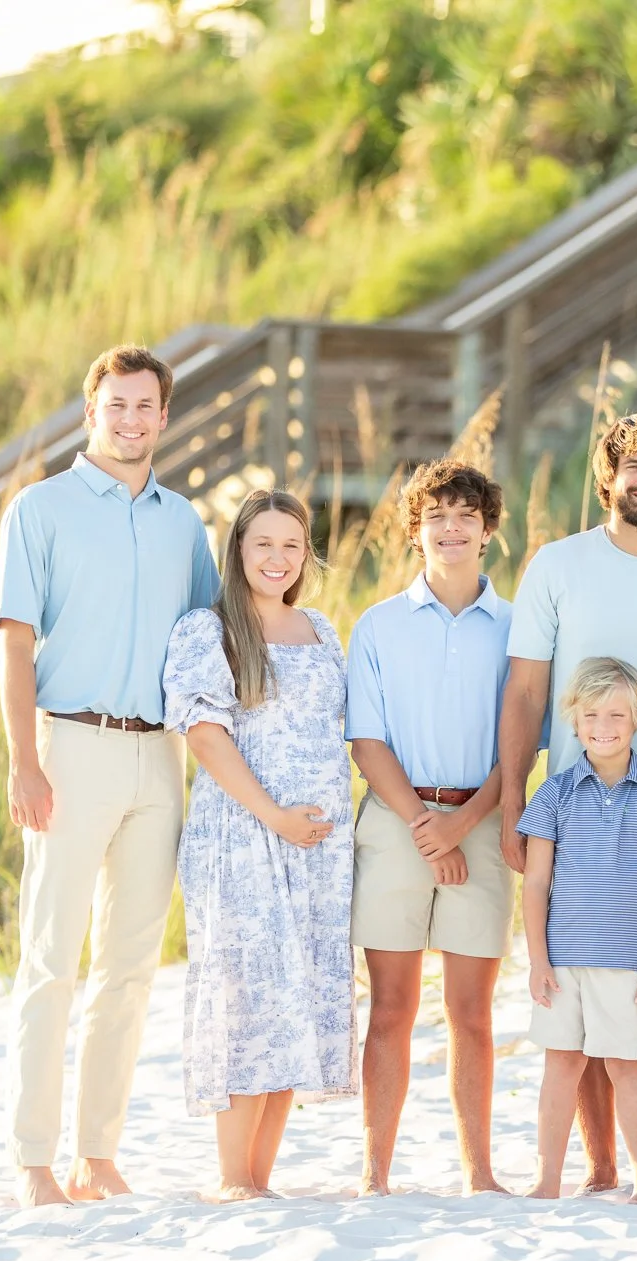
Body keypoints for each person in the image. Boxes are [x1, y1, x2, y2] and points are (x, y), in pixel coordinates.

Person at [0, 344, 220, 1208]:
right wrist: (24, 760)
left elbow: (206, 638)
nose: (131, 421)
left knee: (128, 966)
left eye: (146, 407)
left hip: (159, 758)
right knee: (50, 960)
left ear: (165, 417)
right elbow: (14, 642)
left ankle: (98, 1153)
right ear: (91, 410)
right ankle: (33, 1159)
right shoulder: (40, 510)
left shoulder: (182, 522)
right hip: (72, 747)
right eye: (116, 405)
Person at [501, 411, 637, 1193]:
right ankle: (596, 1166)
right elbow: (526, 693)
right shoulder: (557, 566)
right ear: (609, 479)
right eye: (636, 467)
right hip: (577, 822)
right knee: (586, 996)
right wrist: (509, 805)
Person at [163, 490, 356, 1201]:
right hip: (244, 837)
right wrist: (275, 815)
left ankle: (259, 1179)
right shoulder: (207, 630)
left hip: (318, 846)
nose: (277, 558)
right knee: (249, 996)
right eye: (262, 544)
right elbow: (206, 736)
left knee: (294, 994)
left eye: (291, 545)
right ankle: (230, 1176)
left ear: (307, 554)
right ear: (237, 549)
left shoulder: (322, 629)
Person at [345, 460, 516, 1196]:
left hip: (483, 822)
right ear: (414, 532)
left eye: (466, 517)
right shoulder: (379, 625)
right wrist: (423, 825)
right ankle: (375, 1172)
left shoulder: (517, 628)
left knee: (472, 1012)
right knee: (391, 1006)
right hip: (395, 820)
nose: (451, 529)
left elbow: (525, 744)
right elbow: (367, 741)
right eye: (435, 517)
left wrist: (462, 825)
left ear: (488, 532)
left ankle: (479, 1171)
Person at [518, 658, 637, 1205]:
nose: (603, 725)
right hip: (563, 960)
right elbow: (536, 884)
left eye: (616, 714)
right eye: (591, 714)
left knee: (627, 1067)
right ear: (573, 721)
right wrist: (537, 960)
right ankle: (548, 1178)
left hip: (628, 963)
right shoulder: (554, 795)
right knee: (561, 1066)